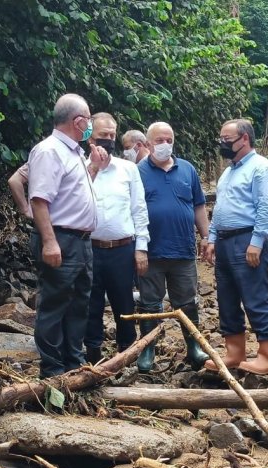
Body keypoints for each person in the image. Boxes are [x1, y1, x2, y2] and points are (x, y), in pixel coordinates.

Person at [27, 93, 106, 379]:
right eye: (89, 119)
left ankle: (74, 363)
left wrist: (94, 168)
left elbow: (73, 196)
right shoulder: (49, 151)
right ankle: (52, 371)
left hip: (81, 241)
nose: (90, 126)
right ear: (79, 121)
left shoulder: (74, 152)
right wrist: (49, 242)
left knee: (78, 303)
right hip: (61, 238)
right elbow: (39, 200)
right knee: (54, 303)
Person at [203, 119, 268, 375]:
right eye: (221, 139)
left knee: (255, 298)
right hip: (225, 241)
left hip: (247, 240)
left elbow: (267, 209)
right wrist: (212, 238)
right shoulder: (228, 171)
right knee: (227, 298)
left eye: (227, 139)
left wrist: (257, 242)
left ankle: (267, 357)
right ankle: (234, 353)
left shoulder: (261, 168)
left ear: (244, 139)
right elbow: (221, 209)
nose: (222, 144)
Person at [136, 121, 210, 373]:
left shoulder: (187, 170)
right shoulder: (137, 172)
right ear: (147, 144)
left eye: (169, 140)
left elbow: (199, 206)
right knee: (149, 303)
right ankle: (148, 348)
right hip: (151, 251)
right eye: (159, 141)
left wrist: (206, 236)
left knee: (187, 301)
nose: (165, 145)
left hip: (183, 250)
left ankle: (194, 347)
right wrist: (138, 247)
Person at [82, 113, 149, 363]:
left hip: (122, 248)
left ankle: (127, 356)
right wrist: (93, 168)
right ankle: (93, 358)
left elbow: (139, 209)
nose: (108, 140)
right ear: (90, 136)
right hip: (89, 248)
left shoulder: (128, 169)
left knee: (125, 305)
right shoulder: (79, 165)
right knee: (91, 304)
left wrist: (141, 248)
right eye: (103, 135)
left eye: (112, 135)